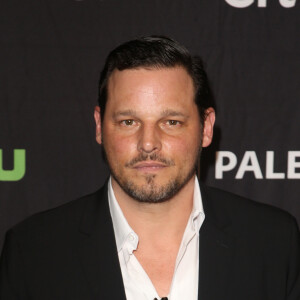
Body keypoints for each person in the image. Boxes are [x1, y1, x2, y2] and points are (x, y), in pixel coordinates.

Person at [0, 36, 299, 300]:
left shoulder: (272, 243)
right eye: (128, 122)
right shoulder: (33, 253)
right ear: (99, 126)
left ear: (206, 128)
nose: (148, 143)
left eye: (171, 122)